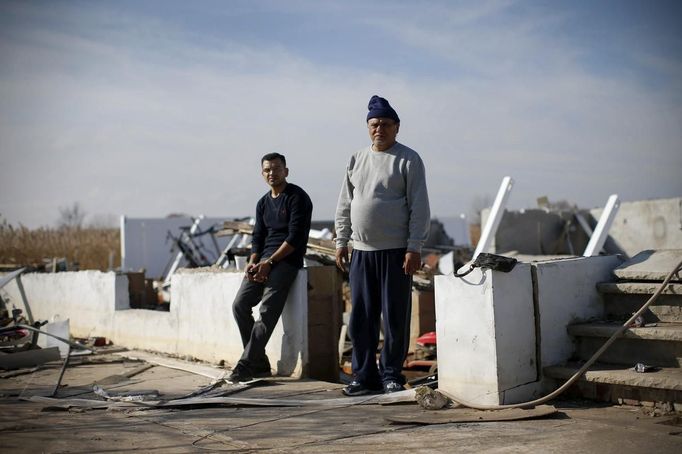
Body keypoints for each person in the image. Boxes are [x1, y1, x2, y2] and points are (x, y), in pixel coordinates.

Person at [335, 95, 430, 395]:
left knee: (395, 317)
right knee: (361, 318)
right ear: (367, 127)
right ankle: (363, 377)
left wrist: (414, 247)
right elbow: (344, 204)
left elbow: (419, 207)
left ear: (397, 128)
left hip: (396, 254)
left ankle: (391, 375)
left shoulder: (409, 159)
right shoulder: (356, 159)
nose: (380, 129)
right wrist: (341, 241)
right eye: (374, 124)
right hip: (361, 252)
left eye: (386, 124)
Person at [229, 152, 313, 383]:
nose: (271, 173)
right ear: (262, 173)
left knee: (267, 312)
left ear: (286, 171)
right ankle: (259, 362)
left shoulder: (297, 198)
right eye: (267, 169)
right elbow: (258, 237)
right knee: (240, 305)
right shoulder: (263, 203)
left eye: (276, 168)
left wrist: (270, 262)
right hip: (265, 260)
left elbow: (295, 238)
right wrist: (254, 261)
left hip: (286, 262)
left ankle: (245, 366)